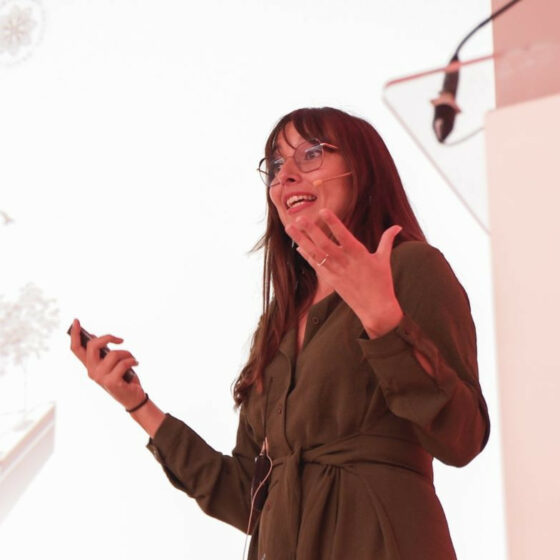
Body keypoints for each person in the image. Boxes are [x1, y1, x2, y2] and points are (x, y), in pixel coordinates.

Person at [70, 107, 490, 560]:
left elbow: (462, 438)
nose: (285, 175)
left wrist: (383, 320)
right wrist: (137, 404)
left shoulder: (410, 267)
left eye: (311, 154)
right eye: (275, 164)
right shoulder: (279, 323)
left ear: (362, 169)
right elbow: (248, 499)